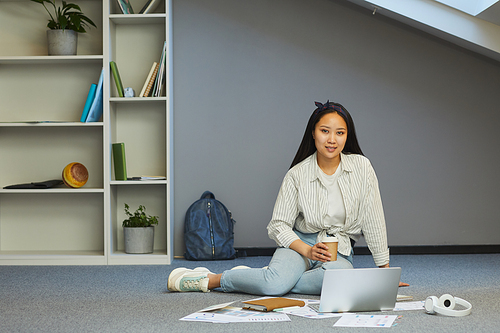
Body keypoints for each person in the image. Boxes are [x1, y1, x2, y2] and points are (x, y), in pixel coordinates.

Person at [167, 100, 408, 294]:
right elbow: (278, 225)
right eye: (325, 131)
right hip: (299, 245)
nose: (332, 139)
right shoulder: (297, 174)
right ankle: (213, 279)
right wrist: (307, 250)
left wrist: (384, 272)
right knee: (275, 285)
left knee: (336, 280)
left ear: (347, 136)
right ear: (313, 133)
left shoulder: (362, 168)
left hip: (338, 251)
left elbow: (374, 219)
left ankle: (268, 278)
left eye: (340, 133)